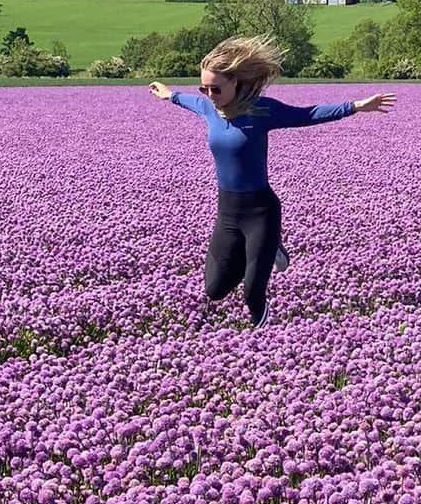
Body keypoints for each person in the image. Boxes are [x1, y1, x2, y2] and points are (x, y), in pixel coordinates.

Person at [149, 34, 396, 330]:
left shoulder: (261, 110)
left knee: (253, 293)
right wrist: (168, 94)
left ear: (236, 83)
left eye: (216, 88)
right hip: (227, 213)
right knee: (215, 290)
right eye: (204, 88)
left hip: (260, 211)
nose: (209, 94)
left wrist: (355, 106)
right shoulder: (208, 108)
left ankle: (262, 338)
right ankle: (262, 250)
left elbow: (308, 115)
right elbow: (187, 101)